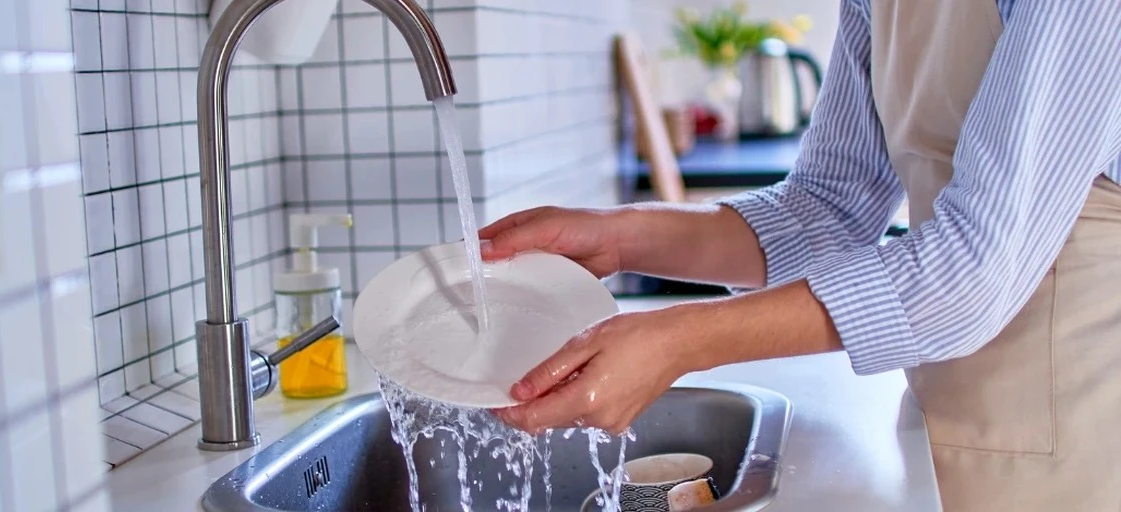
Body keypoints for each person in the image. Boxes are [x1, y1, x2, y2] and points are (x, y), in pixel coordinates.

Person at [479, 1, 1121, 510]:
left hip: (1076, 423)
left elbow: (973, 271)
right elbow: (826, 207)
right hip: (946, 406)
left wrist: (679, 340)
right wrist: (615, 236)